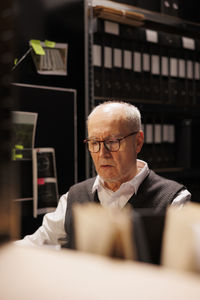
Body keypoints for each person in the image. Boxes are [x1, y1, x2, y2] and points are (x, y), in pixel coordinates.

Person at [16, 101, 191, 248]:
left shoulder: (173, 201)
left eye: (112, 142)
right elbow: (35, 245)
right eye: (94, 142)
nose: (102, 153)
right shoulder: (74, 197)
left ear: (138, 142)